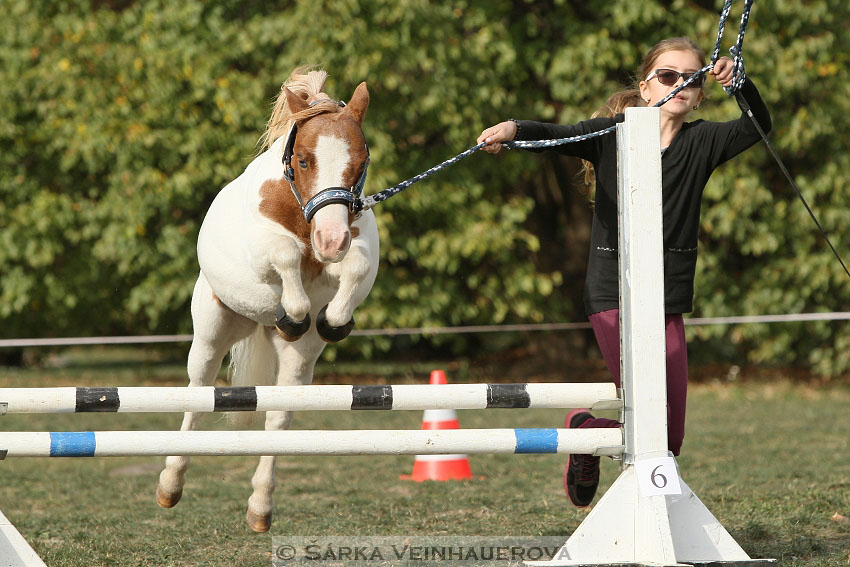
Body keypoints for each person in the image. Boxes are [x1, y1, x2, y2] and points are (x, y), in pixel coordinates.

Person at [476, 37, 771, 507]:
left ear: (698, 94)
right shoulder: (611, 133)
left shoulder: (704, 141)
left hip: (668, 295)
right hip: (612, 290)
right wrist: (512, 129)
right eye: (669, 75)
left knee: (669, 439)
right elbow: (558, 135)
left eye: (692, 79)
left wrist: (740, 84)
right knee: (647, 414)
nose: (681, 85)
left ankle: (588, 431)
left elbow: (758, 126)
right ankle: (591, 446)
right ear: (646, 86)